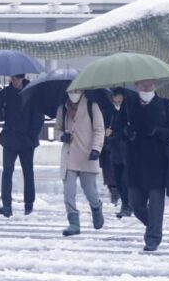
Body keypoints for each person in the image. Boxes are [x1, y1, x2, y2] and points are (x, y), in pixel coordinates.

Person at [125, 79, 169, 252]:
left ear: (155, 85)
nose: (146, 87)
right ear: (136, 86)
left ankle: (153, 238)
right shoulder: (129, 106)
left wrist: (158, 131)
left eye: (149, 84)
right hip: (135, 162)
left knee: (156, 204)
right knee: (136, 204)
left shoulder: (165, 105)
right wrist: (126, 132)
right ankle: (153, 227)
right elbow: (118, 129)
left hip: (158, 162)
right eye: (143, 85)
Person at [54, 89, 105, 236]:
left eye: (76, 90)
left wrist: (96, 148)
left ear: (82, 91)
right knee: (68, 192)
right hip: (69, 156)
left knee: (90, 190)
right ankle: (74, 222)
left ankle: (96, 207)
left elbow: (99, 130)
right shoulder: (62, 109)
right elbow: (57, 129)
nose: (73, 93)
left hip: (87, 155)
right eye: (71, 90)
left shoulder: (92, 106)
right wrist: (62, 136)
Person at [0, 74, 44, 217]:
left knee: (28, 173)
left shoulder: (32, 93)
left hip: (26, 140)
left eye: (17, 78)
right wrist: (2, 109)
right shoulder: (4, 93)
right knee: (7, 172)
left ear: (23, 78)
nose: (15, 81)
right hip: (9, 139)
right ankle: (6, 206)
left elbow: (38, 117)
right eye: (13, 78)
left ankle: (29, 205)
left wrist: (31, 136)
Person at [107, 87, 132, 218]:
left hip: (128, 152)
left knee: (125, 180)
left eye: (118, 98)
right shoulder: (111, 112)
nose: (116, 101)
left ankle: (128, 206)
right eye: (114, 98)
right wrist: (109, 134)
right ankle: (125, 205)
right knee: (118, 180)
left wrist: (117, 133)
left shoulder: (130, 110)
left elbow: (130, 131)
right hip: (115, 152)